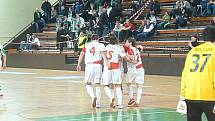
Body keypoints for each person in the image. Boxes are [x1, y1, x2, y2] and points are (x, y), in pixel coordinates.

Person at [180, 26, 215, 121]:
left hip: (190, 95)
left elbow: (185, 74)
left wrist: (182, 94)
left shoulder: (192, 51)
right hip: (209, 95)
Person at [77, 34, 107, 108]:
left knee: (88, 84)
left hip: (89, 65)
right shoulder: (101, 45)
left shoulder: (86, 45)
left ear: (92, 39)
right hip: (98, 65)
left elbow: (81, 54)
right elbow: (104, 55)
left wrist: (79, 64)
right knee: (97, 84)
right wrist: (106, 64)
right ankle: (98, 104)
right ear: (97, 39)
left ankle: (93, 96)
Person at [103, 35, 133, 109]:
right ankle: (120, 105)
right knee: (118, 86)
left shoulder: (106, 47)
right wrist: (131, 60)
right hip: (116, 67)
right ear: (116, 41)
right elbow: (125, 58)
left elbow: (103, 54)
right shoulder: (118, 48)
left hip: (108, 67)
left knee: (107, 85)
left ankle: (111, 99)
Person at [124, 38, 145, 107]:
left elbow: (132, 58)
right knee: (139, 86)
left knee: (128, 83)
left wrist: (125, 56)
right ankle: (138, 102)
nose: (125, 43)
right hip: (140, 68)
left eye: (126, 42)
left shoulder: (130, 49)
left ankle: (131, 98)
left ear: (130, 43)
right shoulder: (136, 49)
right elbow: (140, 49)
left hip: (133, 68)